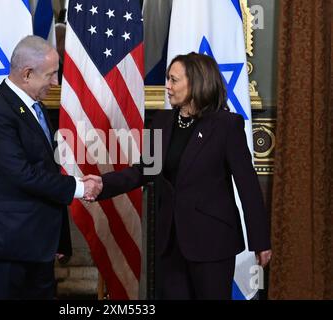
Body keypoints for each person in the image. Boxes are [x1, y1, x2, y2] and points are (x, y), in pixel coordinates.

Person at [84, 52, 272, 299]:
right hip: (170, 242)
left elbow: (247, 186)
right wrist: (103, 184)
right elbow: (143, 170)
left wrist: (260, 241)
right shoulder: (161, 121)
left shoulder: (227, 125)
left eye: (173, 80)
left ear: (195, 83)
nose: (167, 86)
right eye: (167, 79)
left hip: (212, 242)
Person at [0, 35, 101, 299]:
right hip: (4, 251)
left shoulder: (34, 108)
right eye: (51, 75)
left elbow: (45, 170)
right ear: (27, 74)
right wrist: (79, 187)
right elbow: (22, 175)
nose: (56, 82)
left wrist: (59, 239)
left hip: (36, 247)